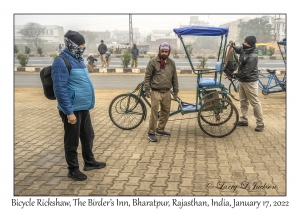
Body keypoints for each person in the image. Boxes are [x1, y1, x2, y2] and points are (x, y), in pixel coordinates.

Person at [52, 30, 106, 181]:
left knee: (88, 135)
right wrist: (69, 112)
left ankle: (89, 162)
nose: (82, 47)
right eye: (80, 45)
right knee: (72, 141)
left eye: (83, 45)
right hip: (72, 109)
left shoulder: (78, 59)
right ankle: (73, 169)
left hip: (83, 107)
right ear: (71, 44)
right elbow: (60, 89)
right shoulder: (61, 61)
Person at [144, 42, 179, 142]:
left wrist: (176, 92)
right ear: (159, 51)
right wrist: (147, 89)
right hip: (155, 92)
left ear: (169, 52)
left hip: (167, 92)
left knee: (166, 112)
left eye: (166, 51)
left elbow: (174, 78)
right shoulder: (153, 62)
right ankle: (151, 132)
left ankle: (160, 129)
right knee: (154, 113)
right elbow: (147, 77)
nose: (164, 53)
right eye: (162, 51)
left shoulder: (171, 63)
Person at [228, 36, 264, 132]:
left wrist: (234, 75)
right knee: (243, 100)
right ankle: (244, 120)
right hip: (242, 80)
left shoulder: (253, 56)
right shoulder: (244, 49)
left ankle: (260, 123)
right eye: (244, 41)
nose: (243, 43)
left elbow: (245, 72)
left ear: (250, 45)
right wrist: (233, 45)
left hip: (250, 82)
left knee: (254, 102)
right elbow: (237, 49)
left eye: (246, 42)